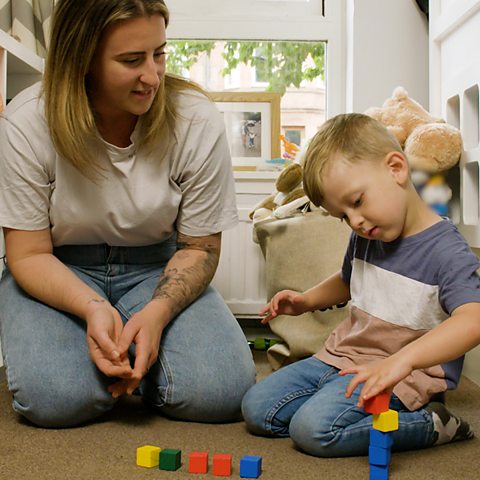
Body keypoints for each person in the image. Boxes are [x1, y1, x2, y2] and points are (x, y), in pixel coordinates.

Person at [0, 0, 256, 428]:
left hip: (156, 265)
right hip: (58, 266)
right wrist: (93, 307)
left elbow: (200, 248)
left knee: (223, 393)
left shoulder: (196, 119)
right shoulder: (28, 121)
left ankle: (131, 356)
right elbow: (26, 254)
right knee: (58, 400)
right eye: (131, 60)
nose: (153, 76)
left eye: (159, 53)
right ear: (82, 59)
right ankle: (117, 354)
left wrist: (156, 313)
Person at [241, 113, 480, 457]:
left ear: (396, 168)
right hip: (340, 357)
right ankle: (342, 406)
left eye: (356, 203)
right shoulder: (368, 234)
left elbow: (472, 320)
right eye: (344, 216)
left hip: (401, 375)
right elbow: (348, 280)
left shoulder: (447, 250)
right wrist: (306, 301)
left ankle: (431, 422)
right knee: (257, 408)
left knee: (314, 430)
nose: (355, 222)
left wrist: (402, 362)